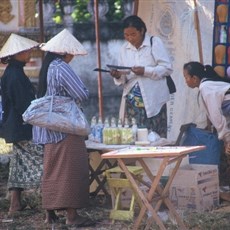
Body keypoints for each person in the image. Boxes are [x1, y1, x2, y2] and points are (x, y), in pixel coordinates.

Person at [33, 29, 95, 227]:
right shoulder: (61, 67)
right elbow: (81, 93)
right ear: (66, 52)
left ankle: (50, 214)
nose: (72, 58)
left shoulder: (48, 66)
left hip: (48, 129)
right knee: (70, 170)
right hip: (64, 127)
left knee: (51, 170)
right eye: (72, 54)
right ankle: (72, 216)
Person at [0, 33, 43, 214]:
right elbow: (23, 105)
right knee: (46, 159)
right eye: (26, 51)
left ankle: (15, 205)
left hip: (16, 125)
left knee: (18, 163)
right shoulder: (15, 75)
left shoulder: (13, 72)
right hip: (22, 125)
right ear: (17, 53)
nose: (29, 53)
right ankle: (51, 204)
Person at [110, 15, 173, 138]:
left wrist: (145, 71)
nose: (129, 38)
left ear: (142, 31)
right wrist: (118, 75)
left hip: (153, 99)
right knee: (135, 135)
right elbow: (124, 77)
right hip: (132, 102)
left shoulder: (154, 42)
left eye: (133, 34)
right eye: (126, 35)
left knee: (155, 136)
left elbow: (167, 68)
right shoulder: (124, 49)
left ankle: (158, 157)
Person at [183, 61, 230, 155]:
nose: (185, 81)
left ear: (195, 78)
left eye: (186, 77)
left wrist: (227, 138)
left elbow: (216, 115)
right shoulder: (208, 84)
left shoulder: (206, 87)